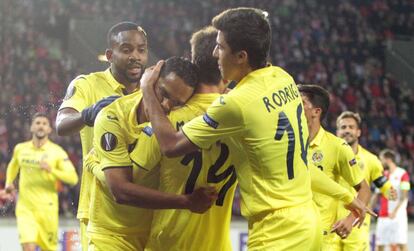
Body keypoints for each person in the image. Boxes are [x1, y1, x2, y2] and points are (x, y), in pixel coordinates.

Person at [138, 7, 370, 250]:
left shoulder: (235, 104)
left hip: (275, 231)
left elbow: (171, 145)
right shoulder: (284, 79)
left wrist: (147, 90)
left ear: (241, 56)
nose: (216, 52)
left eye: (221, 46)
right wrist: (346, 196)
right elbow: (300, 164)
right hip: (306, 221)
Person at [85, 57, 216, 251]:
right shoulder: (111, 116)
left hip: (152, 235)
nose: (165, 105)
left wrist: (94, 165)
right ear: (152, 78)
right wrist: (187, 202)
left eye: (177, 103)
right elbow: (120, 190)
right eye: (163, 93)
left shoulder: (173, 127)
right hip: (112, 234)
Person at [55, 21, 148, 250]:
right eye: (126, 50)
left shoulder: (152, 91)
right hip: (100, 213)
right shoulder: (88, 84)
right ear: (110, 54)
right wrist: (88, 114)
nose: (135, 56)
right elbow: (62, 124)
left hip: (146, 210)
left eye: (141, 49)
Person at [297, 84, 371, 248]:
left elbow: (364, 188)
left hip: (321, 239)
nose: (294, 106)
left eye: (301, 102)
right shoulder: (287, 144)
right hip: (291, 233)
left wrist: (351, 219)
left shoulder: (337, 147)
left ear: (316, 111)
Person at [1, 113, 78, 251]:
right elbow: (13, 165)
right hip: (25, 209)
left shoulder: (57, 152)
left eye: (44, 123)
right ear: (31, 127)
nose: (40, 126)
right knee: (28, 247)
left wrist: (52, 170)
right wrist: (8, 183)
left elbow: (73, 178)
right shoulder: (21, 149)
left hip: (47, 210)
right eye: (37, 123)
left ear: (49, 129)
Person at [334, 111, 395, 250]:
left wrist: (389, 190)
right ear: (337, 132)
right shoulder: (329, 156)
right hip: (331, 224)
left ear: (358, 132)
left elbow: (382, 183)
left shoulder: (371, 159)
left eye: (351, 127)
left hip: (356, 224)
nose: (347, 130)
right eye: (343, 127)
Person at [375, 149, 410, 251]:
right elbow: (376, 194)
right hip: (383, 216)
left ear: (388, 159)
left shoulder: (403, 174)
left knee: (401, 244)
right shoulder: (382, 175)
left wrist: (395, 211)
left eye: (381, 159)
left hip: (398, 217)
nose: (380, 162)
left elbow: (405, 196)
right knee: (379, 245)